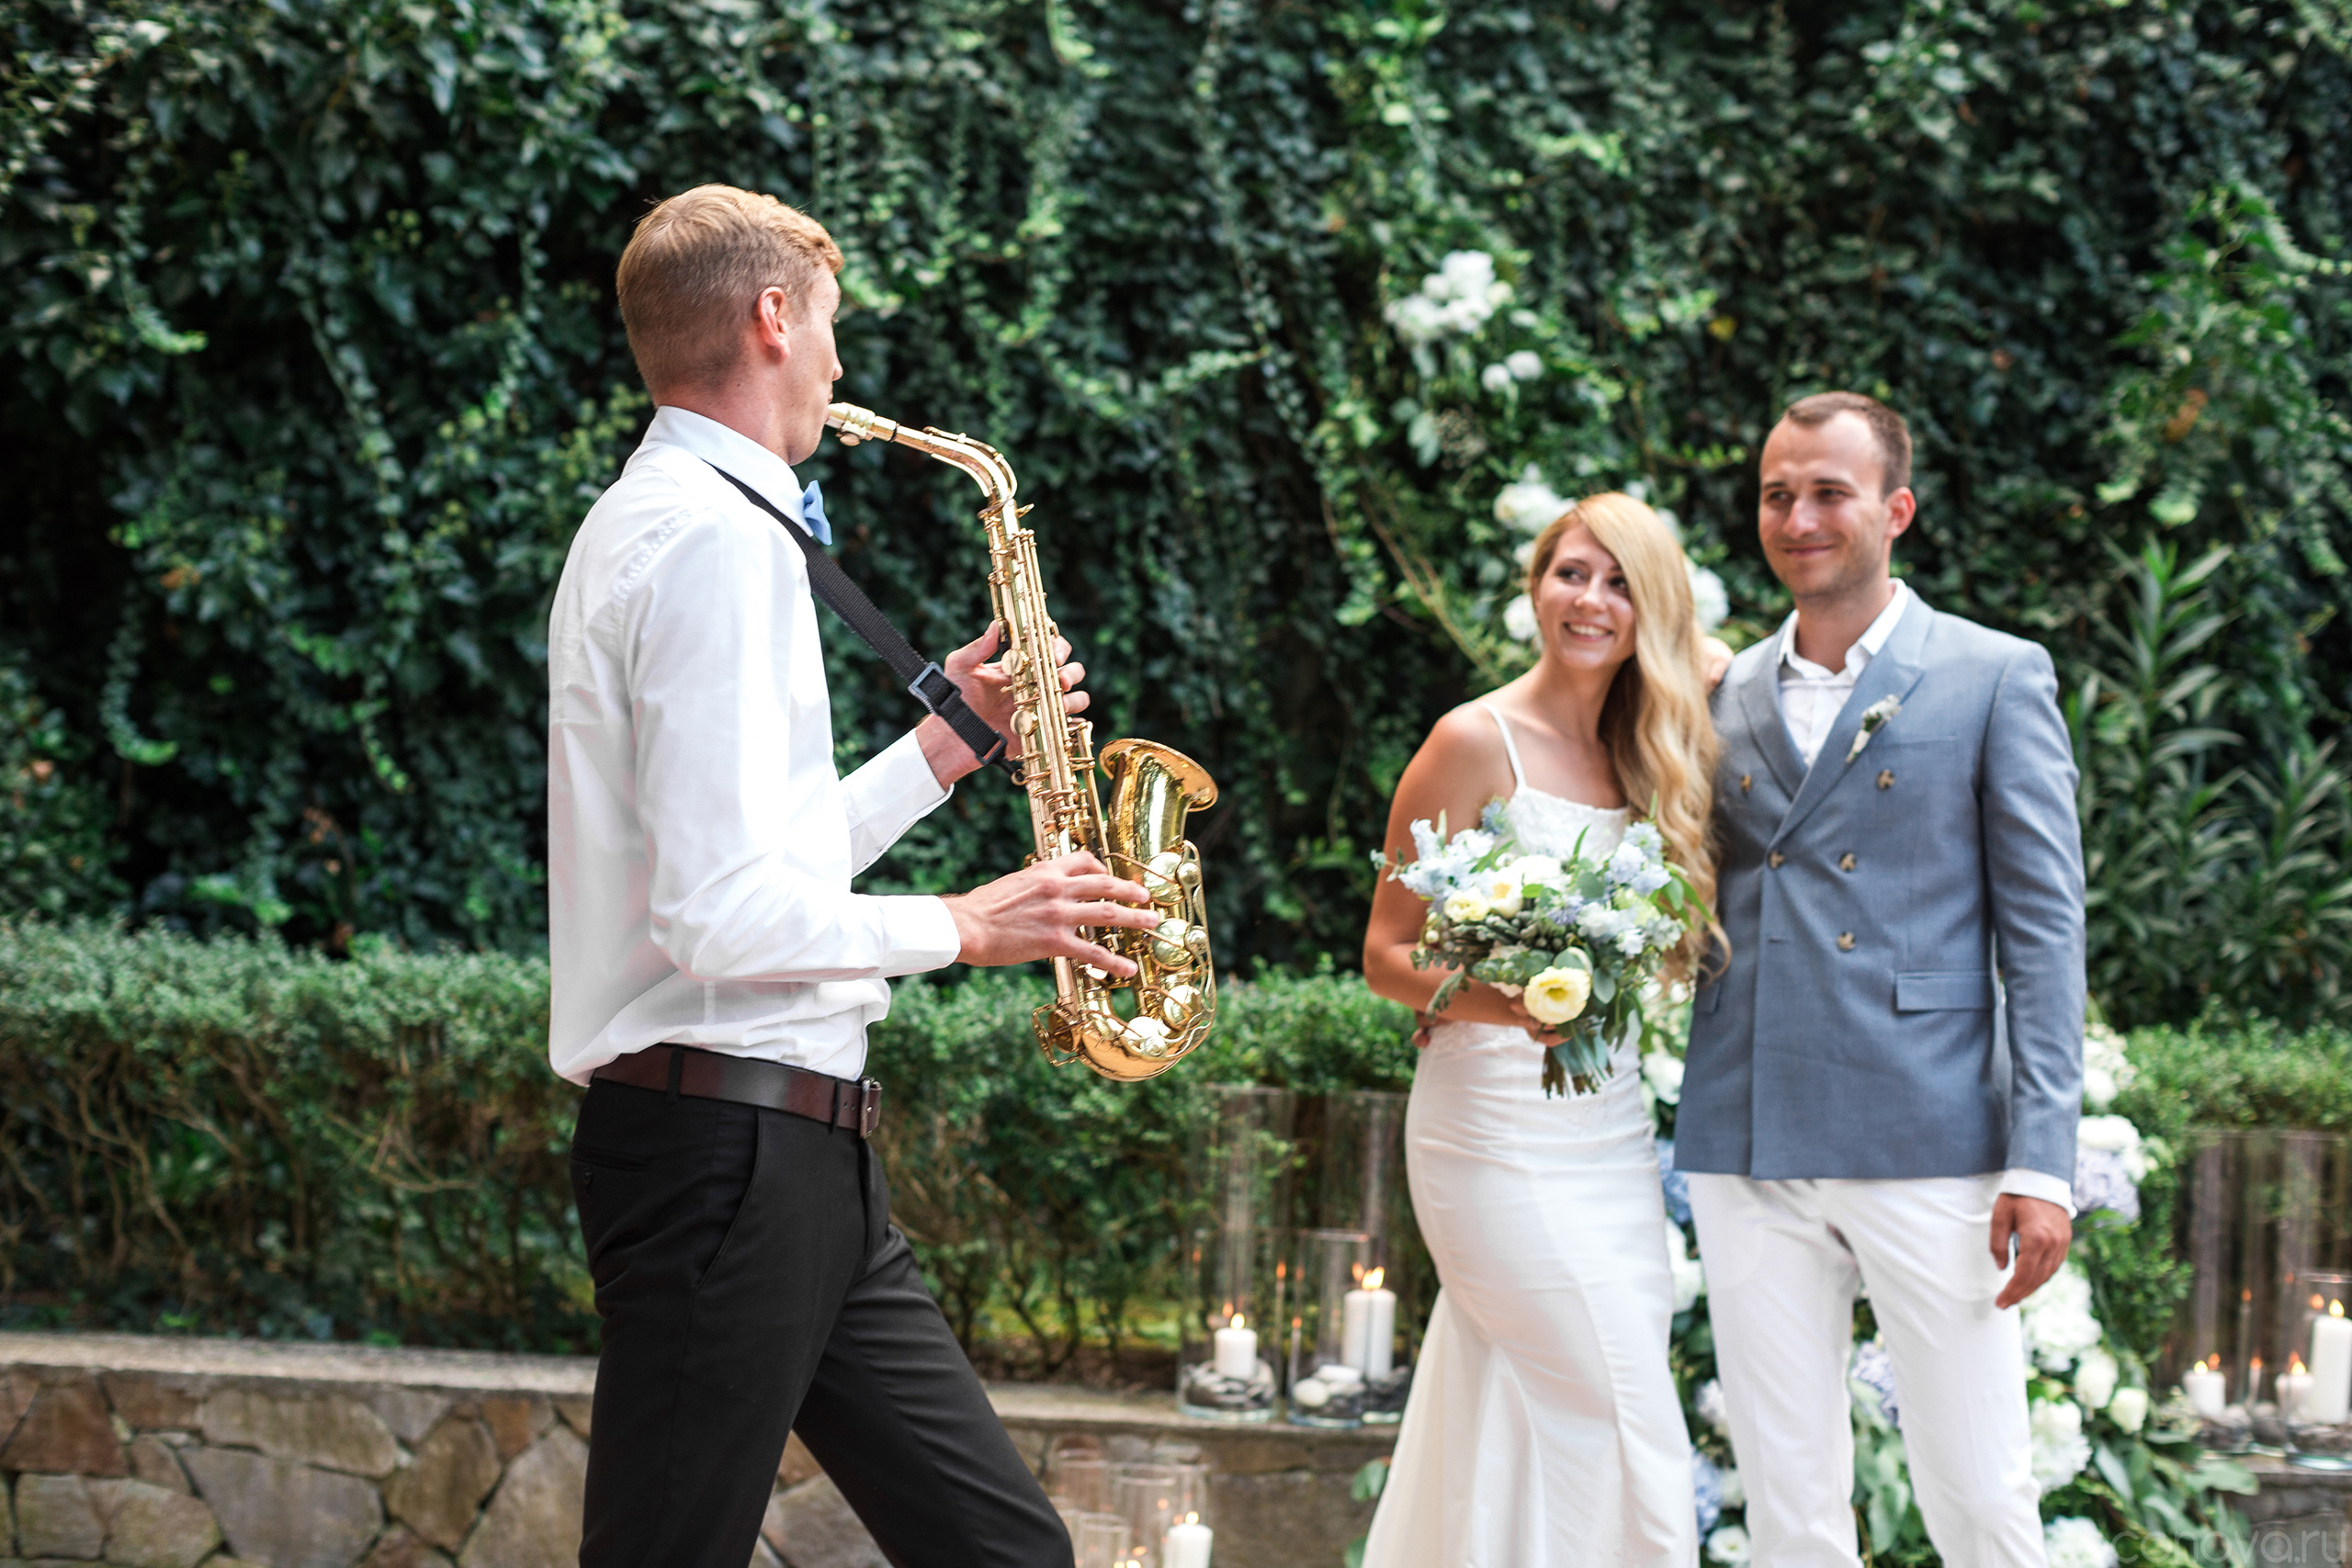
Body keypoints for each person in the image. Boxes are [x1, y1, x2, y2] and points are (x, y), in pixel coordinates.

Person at [545, 185, 1157, 1568]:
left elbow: (747, 865)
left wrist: (941, 752)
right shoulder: (706, 539)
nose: (837, 363)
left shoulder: (690, 522)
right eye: (828, 324)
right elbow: (715, 918)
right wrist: (971, 922)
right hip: (728, 1149)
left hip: (795, 1151)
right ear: (773, 316)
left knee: (1010, 1554)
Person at [1679, 391, 2084, 1568]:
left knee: (1980, 1492)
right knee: (1788, 1501)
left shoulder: (1994, 675)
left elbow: (2045, 932)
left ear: (1894, 509)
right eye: (1775, 495)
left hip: (1932, 1129)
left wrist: (2042, 1159)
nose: (1797, 517)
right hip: (1746, 1128)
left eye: (1827, 493)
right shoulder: (1718, 692)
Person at [1359, 493, 1723, 1567]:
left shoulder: (1653, 750)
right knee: (1622, 1406)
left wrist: (1681, 657)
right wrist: (1510, 996)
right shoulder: (1472, 741)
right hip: (1488, 1136)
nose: (1590, 600)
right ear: (1535, 586)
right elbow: (1386, 954)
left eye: (1619, 582)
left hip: (1605, 1136)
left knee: (1516, 1412)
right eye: (1571, 573)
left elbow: (1732, 659)